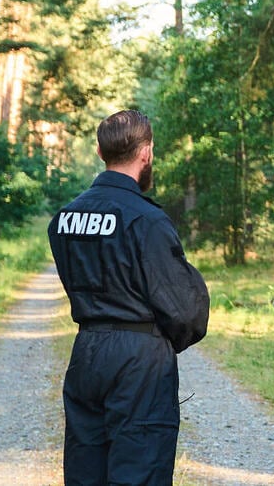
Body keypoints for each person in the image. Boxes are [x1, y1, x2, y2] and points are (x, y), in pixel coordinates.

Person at [48, 109, 209, 486]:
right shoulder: (146, 219)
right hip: (138, 359)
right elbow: (185, 310)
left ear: (101, 153)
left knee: (86, 468)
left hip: (87, 352)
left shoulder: (65, 217)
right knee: (140, 469)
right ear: (146, 153)